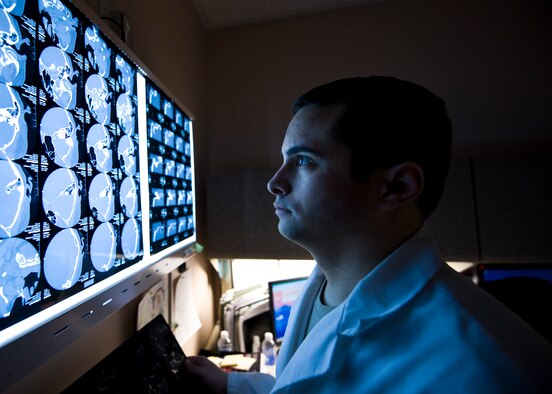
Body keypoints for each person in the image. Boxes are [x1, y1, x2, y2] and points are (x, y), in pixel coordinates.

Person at [183, 76, 552, 393]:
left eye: (304, 161)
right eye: (284, 161)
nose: (274, 183)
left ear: (396, 187)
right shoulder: (325, 287)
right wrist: (231, 385)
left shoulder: (484, 369)